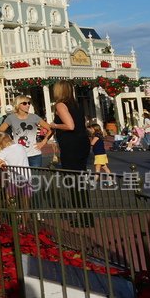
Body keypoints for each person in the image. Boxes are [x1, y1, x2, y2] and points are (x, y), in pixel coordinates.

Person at [49, 81, 91, 225]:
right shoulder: (76, 104)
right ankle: (86, 216)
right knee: (80, 180)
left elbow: (70, 125)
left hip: (71, 145)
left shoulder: (61, 105)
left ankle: (82, 217)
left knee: (72, 180)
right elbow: (81, 124)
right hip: (82, 143)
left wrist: (54, 125)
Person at [0, 96, 51, 167]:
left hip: (34, 155)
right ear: (18, 105)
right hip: (18, 154)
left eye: (29, 103)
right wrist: (8, 143)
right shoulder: (11, 118)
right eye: (25, 103)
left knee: (35, 177)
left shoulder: (34, 117)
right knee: (22, 177)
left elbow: (51, 129)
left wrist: (43, 142)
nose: (28, 105)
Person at [0, 131, 31, 206]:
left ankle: (14, 214)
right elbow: (14, 159)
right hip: (26, 176)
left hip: (14, 178)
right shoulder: (20, 146)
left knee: (10, 196)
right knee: (25, 202)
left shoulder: (4, 151)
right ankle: (25, 216)